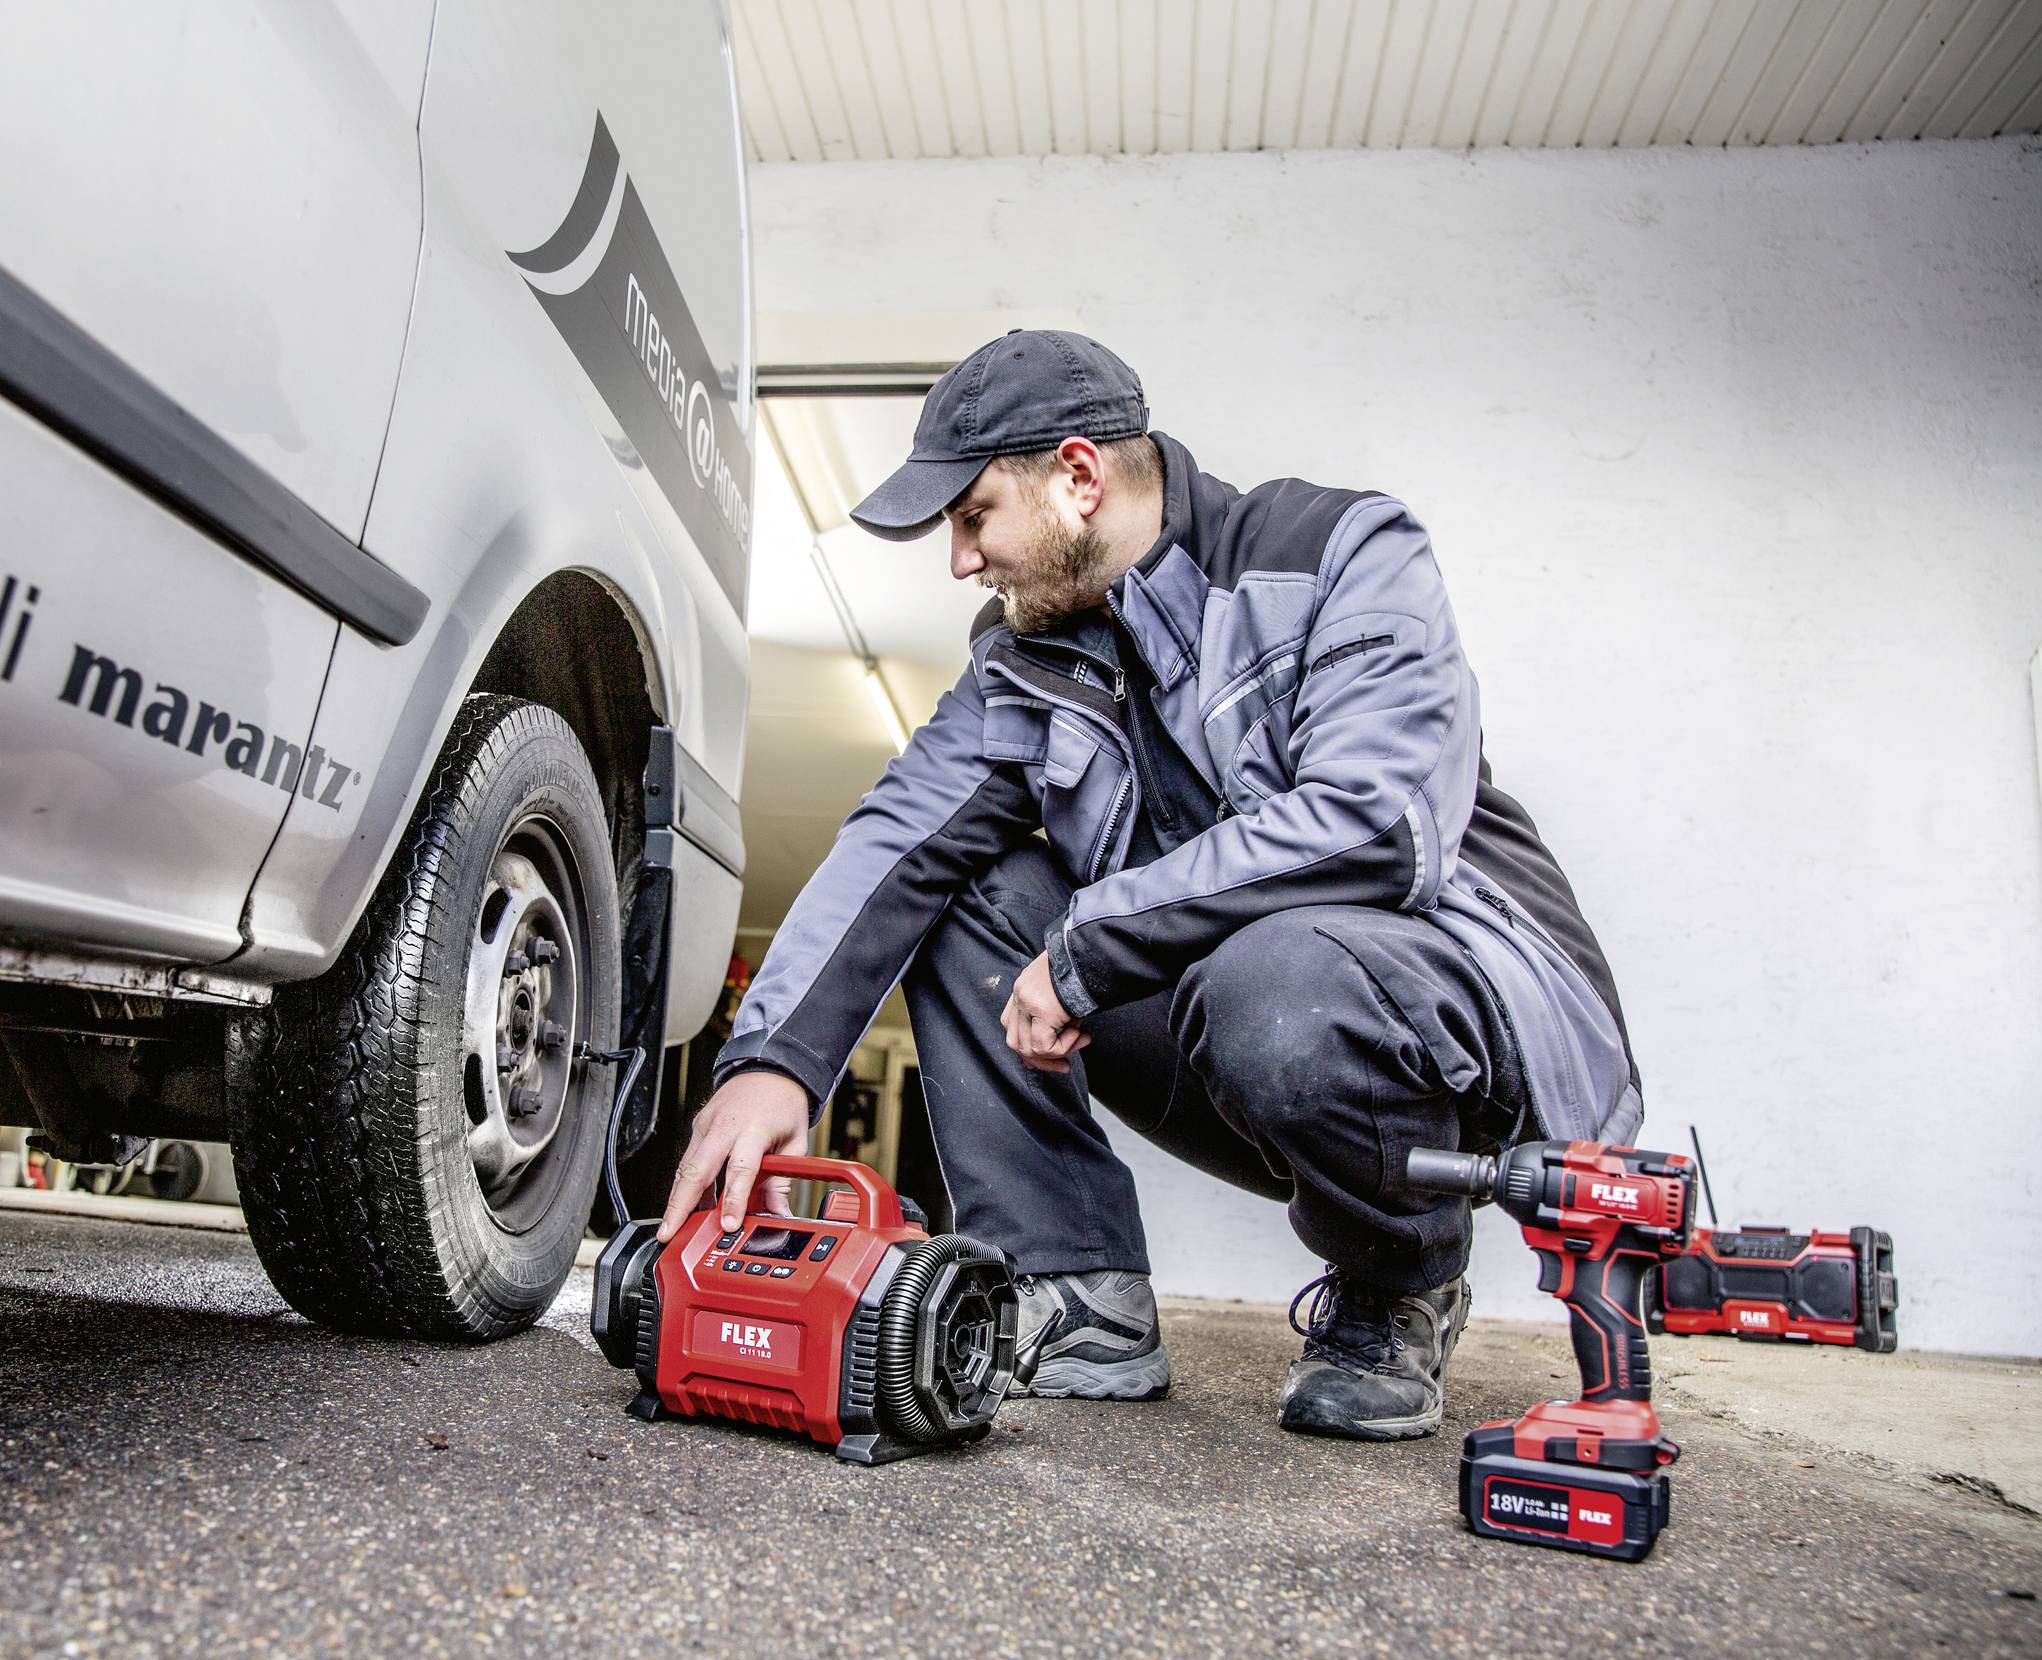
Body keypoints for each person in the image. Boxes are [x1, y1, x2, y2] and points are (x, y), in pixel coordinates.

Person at [662, 331, 1639, 1440]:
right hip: (1224, 1011)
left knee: (1277, 976)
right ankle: (1078, 1295)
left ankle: (1397, 1281)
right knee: (969, 892)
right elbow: (896, 842)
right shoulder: (1022, 659)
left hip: (1439, 1023)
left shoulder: (1342, 549)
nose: (960, 561)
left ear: (1078, 477)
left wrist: (1090, 940)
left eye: (973, 515)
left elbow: (1379, 823)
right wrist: (770, 1062)